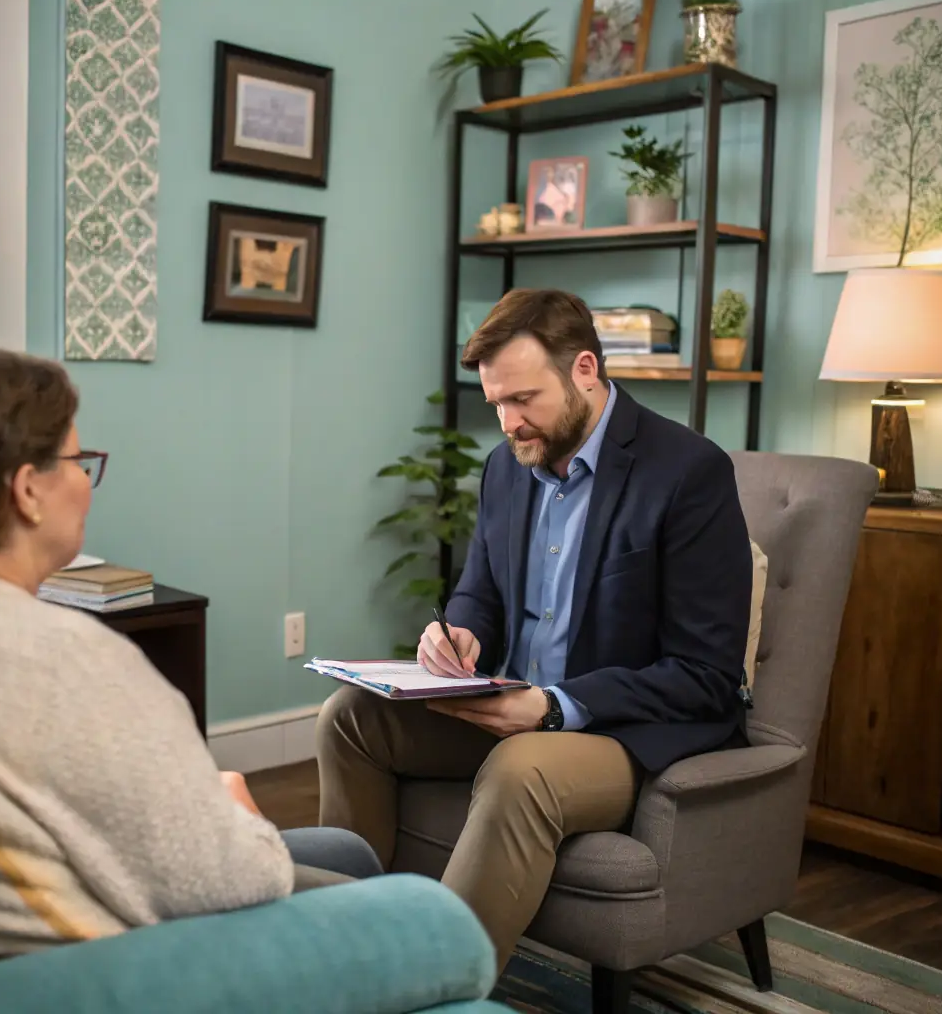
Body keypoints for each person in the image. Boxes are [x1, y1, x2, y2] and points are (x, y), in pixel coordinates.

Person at [0, 346, 379, 949]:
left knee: (345, 849)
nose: (86, 481)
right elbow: (241, 878)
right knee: (402, 905)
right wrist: (241, 816)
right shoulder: (71, 662)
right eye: (78, 460)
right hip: (139, 958)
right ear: (27, 491)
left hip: (56, 890)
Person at [316, 288, 752, 973]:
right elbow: (478, 595)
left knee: (523, 769)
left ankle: (431, 984)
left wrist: (552, 708)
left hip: (620, 729)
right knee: (349, 717)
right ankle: (340, 950)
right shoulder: (505, 468)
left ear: (584, 369)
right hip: (515, 700)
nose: (508, 422)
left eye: (523, 399)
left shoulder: (687, 472)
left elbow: (705, 673)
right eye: (496, 403)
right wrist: (455, 635)